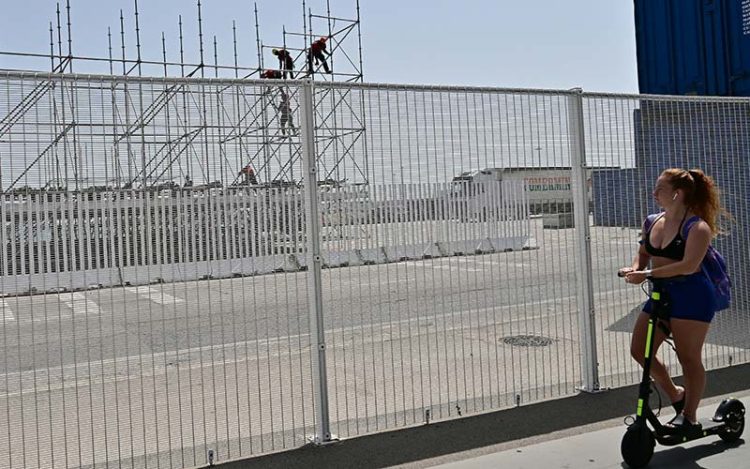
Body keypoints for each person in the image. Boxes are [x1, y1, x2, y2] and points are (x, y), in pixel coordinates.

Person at [619, 168, 728, 434]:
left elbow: (689, 266)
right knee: (640, 351)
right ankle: (676, 394)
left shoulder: (697, 227)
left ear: (677, 194)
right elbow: (643, 253)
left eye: (660, 189)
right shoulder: (652, 221)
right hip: (661, 294)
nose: (654, 194)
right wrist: (635, 268)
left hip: (692, 296)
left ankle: (689, 417)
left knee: (689, 358)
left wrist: (646, 274)